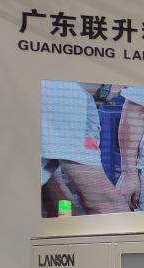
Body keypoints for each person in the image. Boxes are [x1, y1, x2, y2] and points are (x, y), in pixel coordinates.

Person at [40, 81, 129, 215]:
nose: (127, 87)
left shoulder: (80, 102)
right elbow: (101, 200)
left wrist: (66, 219)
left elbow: (55, 189)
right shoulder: (62, 94)